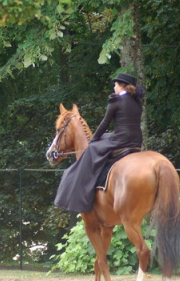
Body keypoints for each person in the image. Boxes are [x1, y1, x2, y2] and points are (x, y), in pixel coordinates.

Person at [54, 73, 145, 213]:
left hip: (121, 140)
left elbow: (104, 124)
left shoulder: (116, 101)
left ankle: (86, 191)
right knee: (105, 138)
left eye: (115, 84)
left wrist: (93, 140)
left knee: (92, 149)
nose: (114, 87)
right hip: (136, 140)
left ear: (122, 86)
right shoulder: (137, 102)